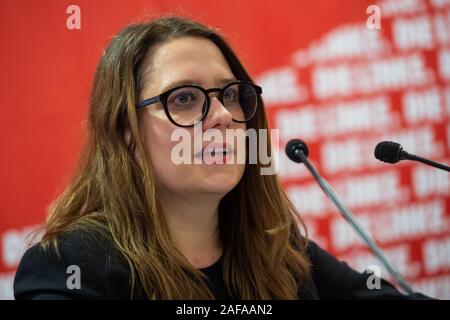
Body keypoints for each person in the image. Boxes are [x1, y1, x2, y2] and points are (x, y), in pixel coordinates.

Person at [14, 16, 429, 300]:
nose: (224, 116)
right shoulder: (68, 265)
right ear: (126, 134)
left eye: (230, 94)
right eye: (185, 99)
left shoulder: (275, 247)